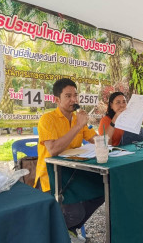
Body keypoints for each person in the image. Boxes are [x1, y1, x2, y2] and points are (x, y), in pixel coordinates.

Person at [33, 78, 104, 241]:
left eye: (75, 95)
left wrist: (106, 133)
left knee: (102, 190)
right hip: (51, 178)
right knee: (75, 212)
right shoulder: (47, 119)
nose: (74, 100)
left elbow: (97, 140)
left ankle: (69, 229)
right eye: (68, 96)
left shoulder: (77, 119)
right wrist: (78, 126)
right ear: (57, 99)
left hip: (74, 174)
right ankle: (60, 232)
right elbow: (53, 149)